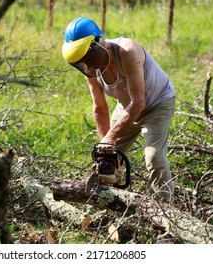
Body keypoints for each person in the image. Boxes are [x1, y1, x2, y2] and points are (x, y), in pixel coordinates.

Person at [61, 17, 176, 203]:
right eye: (81, 61)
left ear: (98, 45)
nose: (87, 65)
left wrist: (111, 138)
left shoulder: (127, 52)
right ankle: (107, 203)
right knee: (106, 160)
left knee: (154, 157)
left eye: (88, 58)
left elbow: (139, 101)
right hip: (126, 106)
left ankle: (165, 212)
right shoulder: (91, 69)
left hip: (157, 103)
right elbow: (99, 107)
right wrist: (106, 145)